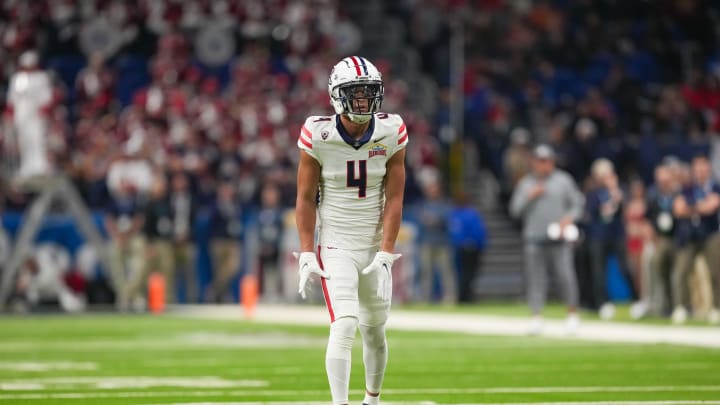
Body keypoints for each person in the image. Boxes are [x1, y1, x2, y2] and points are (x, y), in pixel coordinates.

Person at [295, 56, 407, 405]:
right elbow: (304, 197)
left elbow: (395, 197)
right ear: (336, 95)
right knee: (344, 324)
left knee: (374, 331)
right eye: (355, 93)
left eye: (368, 93)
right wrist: (306, 252)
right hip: (337, 245)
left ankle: (371, 401)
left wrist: (387, 251)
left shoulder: (391, 131)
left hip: (373, 246)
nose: (363, 101)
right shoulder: (319, 133)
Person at [509, 144, 584, 335]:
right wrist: (529, 196)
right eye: (540, 161)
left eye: (547, 161)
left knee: (565, 277)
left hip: (559, 238)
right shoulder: (526, 183)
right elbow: (515, 210)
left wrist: (568, 219)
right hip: (534, 237)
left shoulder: (563, 181)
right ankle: (536, 317)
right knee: (535, 279)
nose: (544, 165)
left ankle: (572, 314)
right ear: (533, 162)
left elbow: (577, 205)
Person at [670, 155, 720, 324]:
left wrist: (691, 208)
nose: (699, 171)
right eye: (696, 168)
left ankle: (716, 308)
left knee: (716, 272)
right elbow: (678, 209)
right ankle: (681, 307)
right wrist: (700, 207)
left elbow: (712, 207)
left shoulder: (715, 186)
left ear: (708, 169)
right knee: (681, 271)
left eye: (702, 168)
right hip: (690, 235)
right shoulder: (687, 188)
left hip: (710, 233)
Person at [448, 190, 487, 303]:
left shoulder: (455, 214)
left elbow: (455, 232)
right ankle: (465, 296)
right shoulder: (470, 213)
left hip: (462, 247)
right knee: (469, 273)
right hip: (470, 247)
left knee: (464, 273)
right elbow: (478, 231)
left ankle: (464, 295)